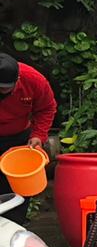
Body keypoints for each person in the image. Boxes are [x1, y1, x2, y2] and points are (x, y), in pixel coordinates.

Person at [0, 55, 56, 225]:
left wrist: (38, 135)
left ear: (17, 80)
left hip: (18, 138)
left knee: (19, 189)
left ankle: (14, 226)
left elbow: (47, 108)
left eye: (3, 89)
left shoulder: (33, 80)